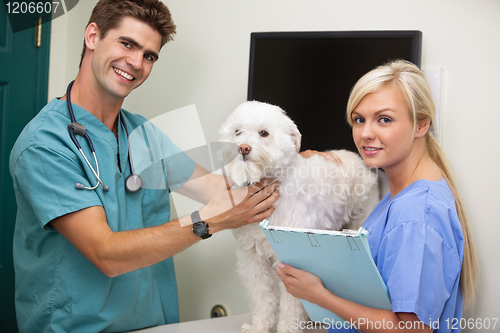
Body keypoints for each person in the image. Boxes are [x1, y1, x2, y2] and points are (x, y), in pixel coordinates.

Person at [8, 0, 281, 332]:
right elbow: (105, 253)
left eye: (149, 55)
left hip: (152, 324)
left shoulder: (143, 133)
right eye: (127, 44)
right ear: (92, 36)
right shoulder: (45, 145)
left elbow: (221, 192)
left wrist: (294, 162)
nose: (136, 63)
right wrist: (206, 222)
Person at [277, 60, 478, 333]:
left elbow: (411, 330)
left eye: (384, 119)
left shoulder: (416, 215)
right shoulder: (404, 194)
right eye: (359, 119)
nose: (365, 133)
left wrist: (319, 296)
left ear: (421, 125)